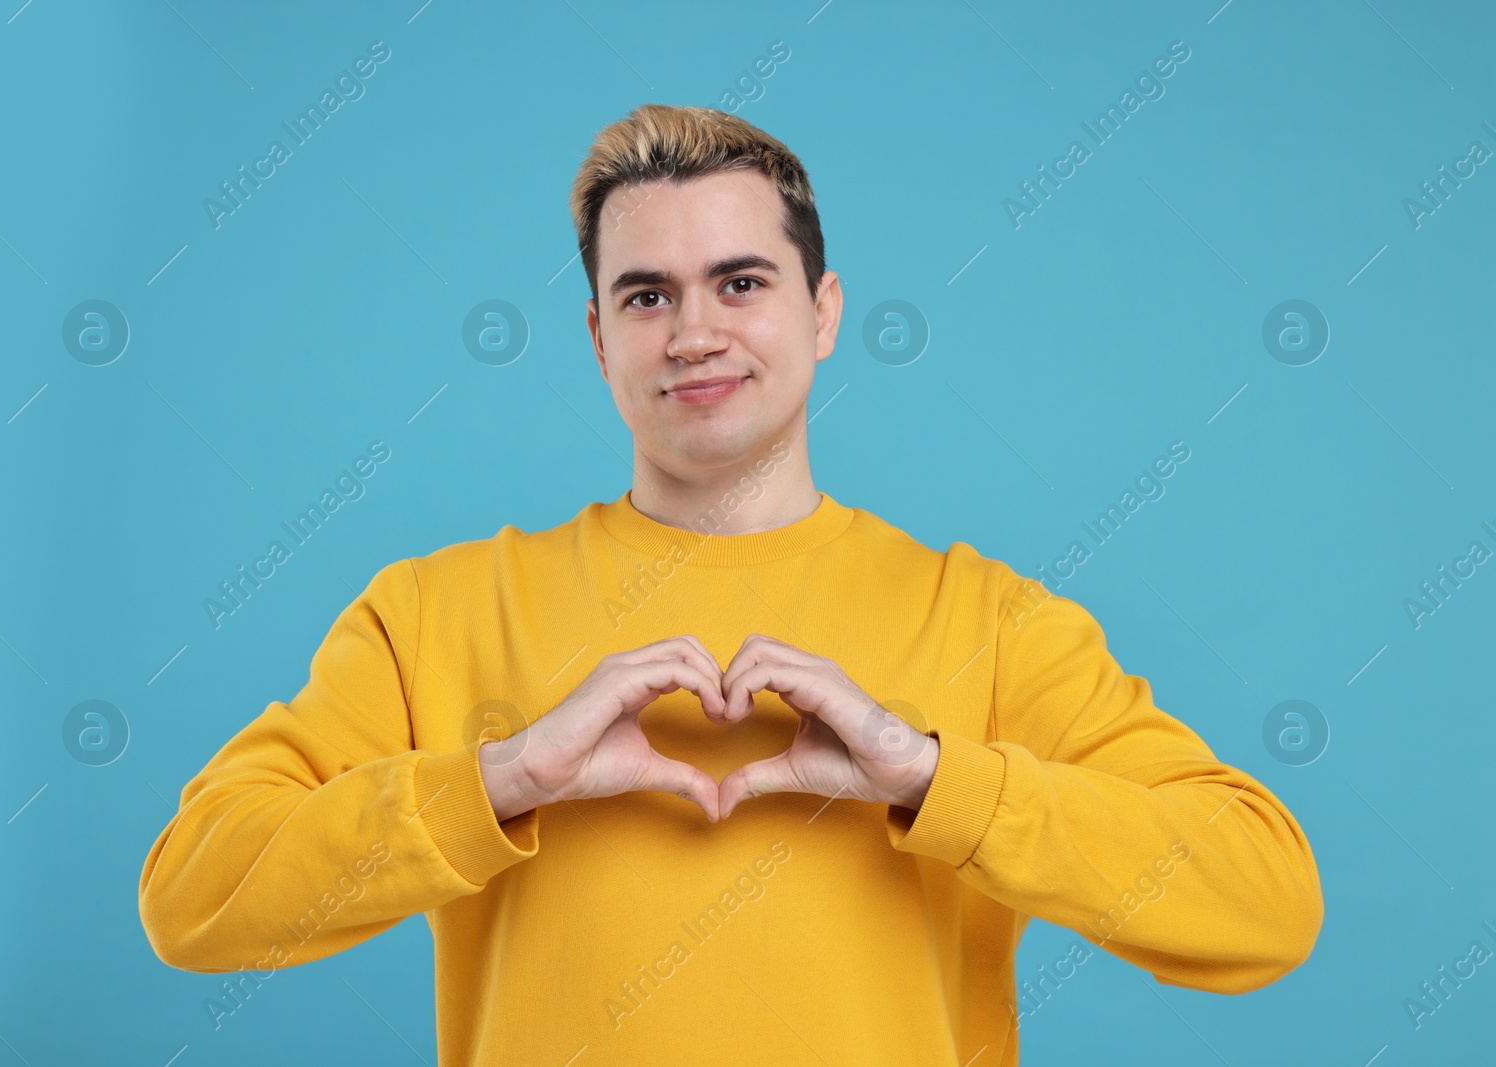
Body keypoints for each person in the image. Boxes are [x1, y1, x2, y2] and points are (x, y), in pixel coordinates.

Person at [138, 103, 1323, 1066]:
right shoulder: (432, 612)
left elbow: (1264, 900)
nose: (693, 330)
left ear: (823, 312)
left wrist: (931, 775)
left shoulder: (994, 624)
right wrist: (500, 778)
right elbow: (194, 897)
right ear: (598, 336)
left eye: (741, 282)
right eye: (647, 294)